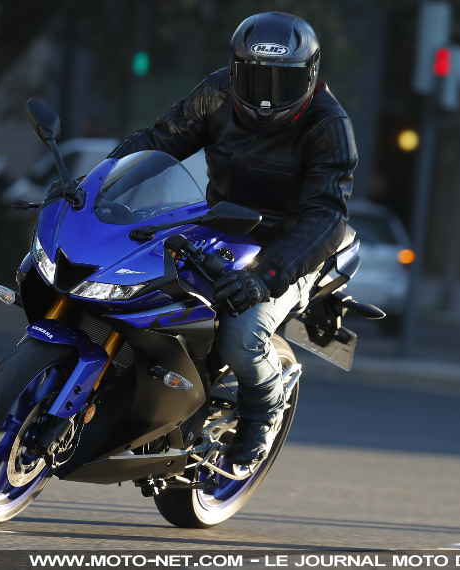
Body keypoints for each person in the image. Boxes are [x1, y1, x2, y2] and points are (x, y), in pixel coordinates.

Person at [105, 12, 357, 465]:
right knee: (133, 288)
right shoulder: (217, 92)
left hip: (288, 248)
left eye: (281, 82)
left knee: (240, 336)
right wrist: (95, 187)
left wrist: (268, 276)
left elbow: (326, 216)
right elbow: (159, 142)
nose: (265, 97)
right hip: (219, 227)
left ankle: (264, 411)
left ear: (310, 75)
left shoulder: (329, 125)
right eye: (254, 79)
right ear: (234, 69)